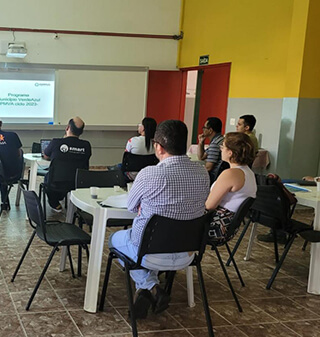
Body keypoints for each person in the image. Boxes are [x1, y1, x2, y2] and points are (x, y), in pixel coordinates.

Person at [109, 120, 209, 319]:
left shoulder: (150, 174)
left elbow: (130, 206)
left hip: (149, 252)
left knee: (115, 239)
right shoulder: (202, 173)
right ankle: (148, 288)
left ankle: (150, 286)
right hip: (187, 253)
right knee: (145, 247)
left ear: (158, 146)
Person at [205, 132, 257, 243]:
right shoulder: (249, 173)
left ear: (230, 152)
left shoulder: (231, 174)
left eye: (223, 147)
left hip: (214, 227)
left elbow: (209, 206)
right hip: (228, 227)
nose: (221, 150)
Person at [43, 117, 91, 212]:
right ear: (81, 132)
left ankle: (55, 203)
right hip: (78, 184)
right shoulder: (86, 145)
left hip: (55, 184)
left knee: (47, 179)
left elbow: (46, 155)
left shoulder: (56, 143)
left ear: (67, 128)